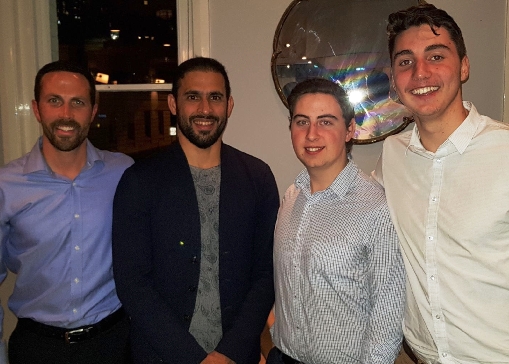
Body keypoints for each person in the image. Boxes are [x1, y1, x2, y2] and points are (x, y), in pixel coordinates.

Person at [112, 57, 279, 364]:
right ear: (173, 104)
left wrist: (230, 352)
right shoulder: (140, 181)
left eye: (214, 97)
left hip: (237, 356)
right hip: (160, 356)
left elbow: (267, 274)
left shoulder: (258, 177)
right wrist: (192, 358)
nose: (205, 109)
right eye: (193, 97)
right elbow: (133, 282)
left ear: (228, 106)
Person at [373, 4, 509, 363]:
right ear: (393, 77)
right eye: (405, 61)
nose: (420, 72)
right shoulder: (392, 155)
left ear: (464, 66)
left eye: (436, 56)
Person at [0, 61, 134, 364]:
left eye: (77, 103)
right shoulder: (6, 185)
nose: (66, 115)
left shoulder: (123, 173)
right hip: (37, 349)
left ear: (92, 109)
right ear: (36, 109)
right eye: (54, 101)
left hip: (112, 344)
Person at [269, 78, 405, 364]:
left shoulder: (376, 209)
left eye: (326, 122)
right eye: (301, 122)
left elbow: (387, 317)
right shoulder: (291, 197)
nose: (312, 134)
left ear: (349, 130)